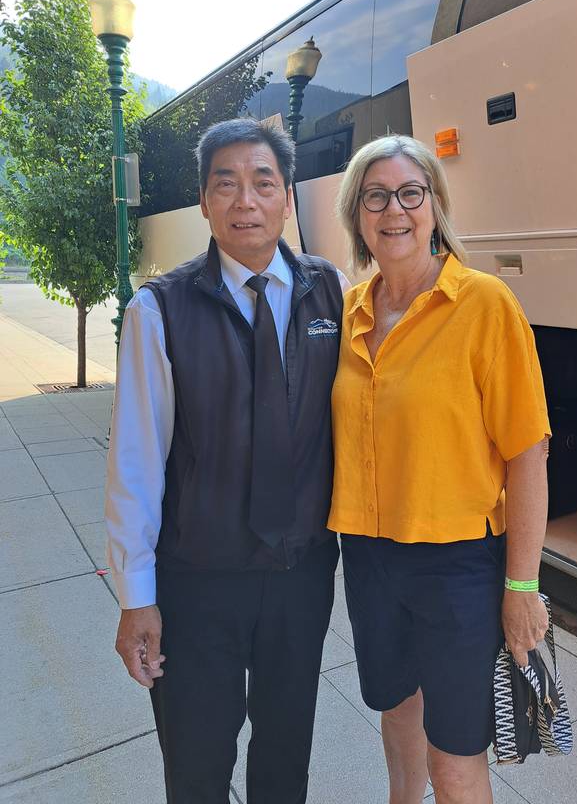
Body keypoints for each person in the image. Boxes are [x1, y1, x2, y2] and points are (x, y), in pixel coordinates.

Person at [105, 118, 347, 804]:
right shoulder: (160, 310)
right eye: (227, 184)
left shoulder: (328, 291)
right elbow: (136, 461)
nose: (247, 200)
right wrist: (136, 598)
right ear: (205, 202)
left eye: (263, 183)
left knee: (284, 757)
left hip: (301, 577)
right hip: (197, 581)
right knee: (197, 763)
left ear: (288, 197)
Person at [329, 135, 551, 804]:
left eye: (409, 193)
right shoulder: (350, 310)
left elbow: (527, 454)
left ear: (434, 206)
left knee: (455, 759)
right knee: (398, 719)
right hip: (368, 556)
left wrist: (522, 586)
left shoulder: (484, 305)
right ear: (357, 216)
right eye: (376, 196)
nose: (393, 210)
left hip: (458, 564)